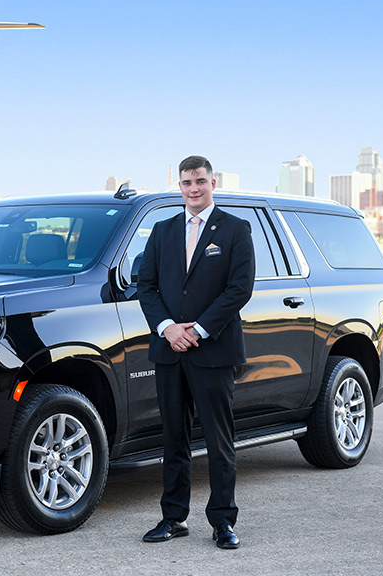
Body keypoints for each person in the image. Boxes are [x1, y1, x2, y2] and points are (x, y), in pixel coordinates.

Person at [137, 155, 255, 549]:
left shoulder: (236, 230)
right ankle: (173, 518)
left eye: (200, 181)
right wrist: (168, 328)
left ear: (213, 182)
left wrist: (198, 330)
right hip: (169, 350)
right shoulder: (162, 230)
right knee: (174, 439)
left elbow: (239, 289)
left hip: (213, 351)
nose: (193, 189)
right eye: (187, 182)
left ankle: (223, 522)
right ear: (179, 186)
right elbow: (147, 287)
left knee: (219, 441)